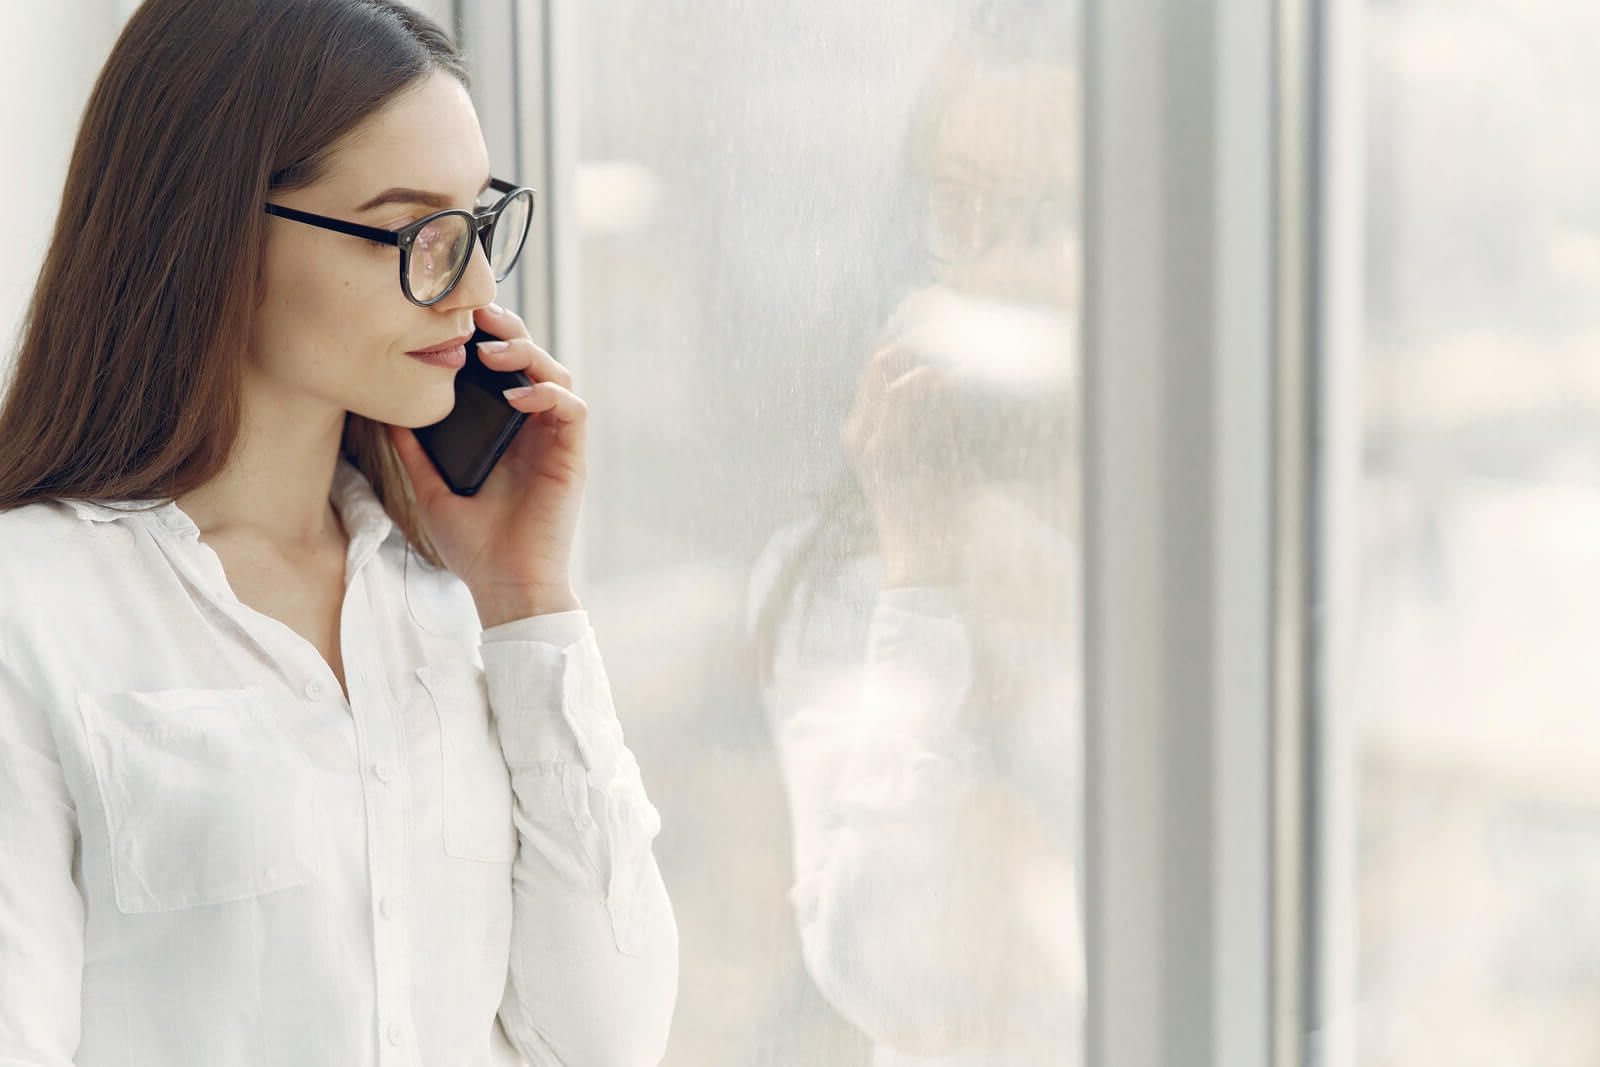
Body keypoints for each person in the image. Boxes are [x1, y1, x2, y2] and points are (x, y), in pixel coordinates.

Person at [0, 2, 677, 1065]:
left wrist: (528, 601)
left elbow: (603, 1040)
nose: (476, 291)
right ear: (217, 226)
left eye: (479, 225)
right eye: (416, 234)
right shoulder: (31, 611)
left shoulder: (456, 603)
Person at [746, 2, 1082, 1064]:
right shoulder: (845, 576)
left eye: (1052, 214)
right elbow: (881, 964)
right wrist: (923, 578)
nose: (996, 264)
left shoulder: (1234, 536)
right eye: (961, 205)